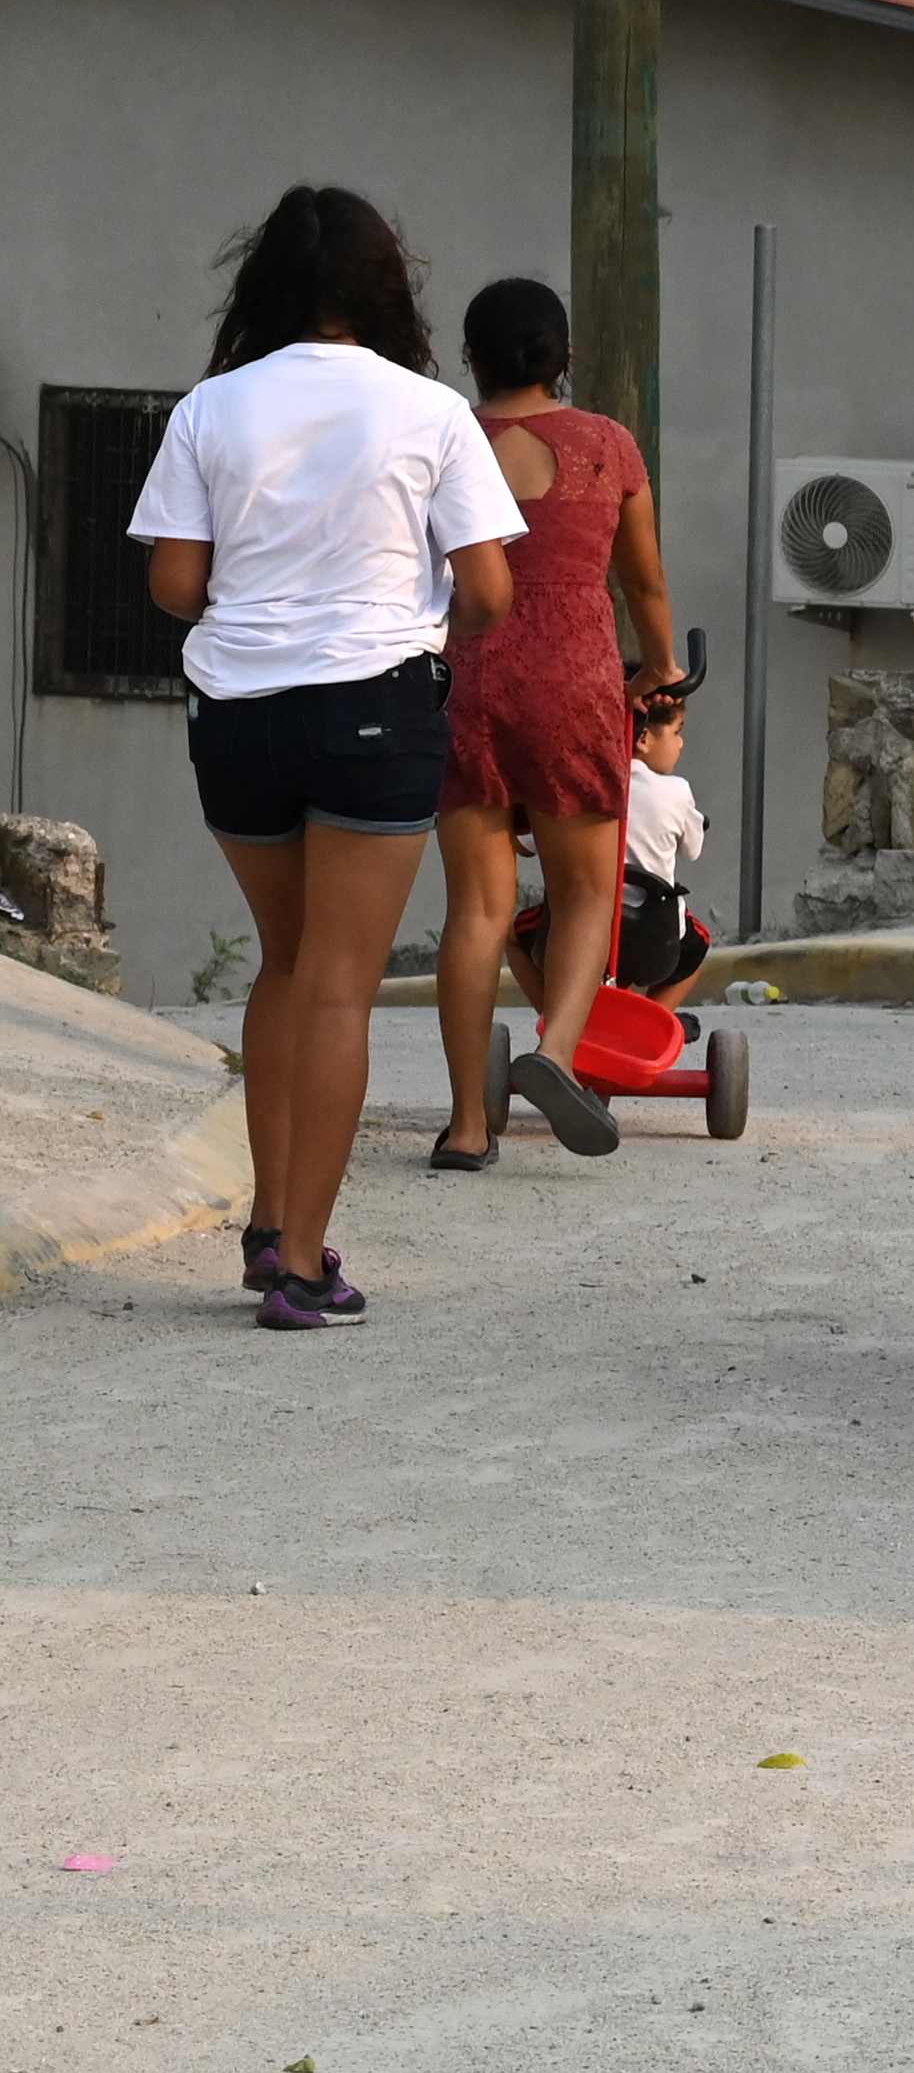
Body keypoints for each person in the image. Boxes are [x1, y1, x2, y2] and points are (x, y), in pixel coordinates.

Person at [124, 187, 523, 1330]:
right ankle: (302, 1264)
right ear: (385, 290)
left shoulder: (210, 408)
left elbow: (177, 587)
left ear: (264, 291)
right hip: (373, 711)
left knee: (284, 965)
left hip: (236, 715)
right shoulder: (433, 413)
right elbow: (491, 592)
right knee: (343, 983)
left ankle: (262, 1222)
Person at [431, 276, 679, 1165]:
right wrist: (661, 666)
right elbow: (643, 584)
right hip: (574, 681)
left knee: (477, 912)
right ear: (562, 358)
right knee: (585, 892)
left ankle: (466, 1127)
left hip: (464, 678)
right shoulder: (608, 446)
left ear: (472, 356)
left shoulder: (444, 434)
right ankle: (553, 1056)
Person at [615, 683, 720, 1006]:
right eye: (676, 732)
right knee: (699, 944)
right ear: (644, 739)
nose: (681, 743)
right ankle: (651, 1021)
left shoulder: (590, 783)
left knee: (517, 936)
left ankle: (557, 1023)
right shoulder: (677, 790)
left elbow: (531, 843)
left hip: (587, 919)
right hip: (654, 932)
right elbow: (693, 849)